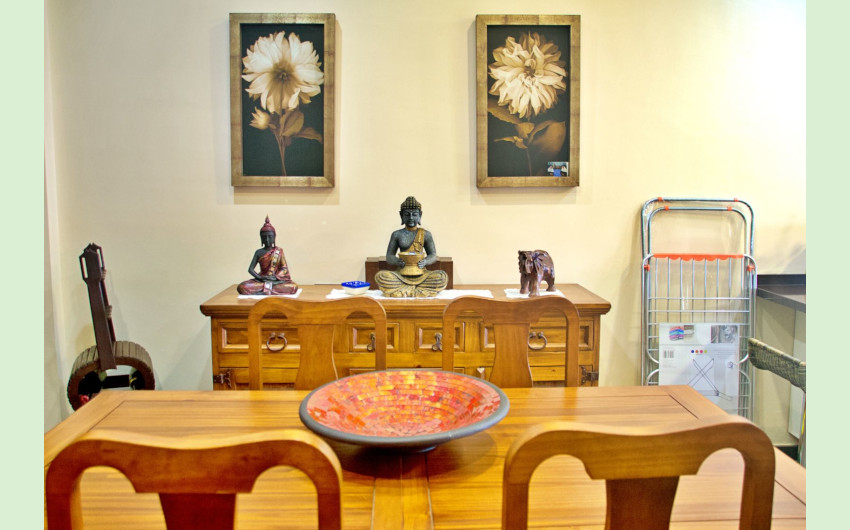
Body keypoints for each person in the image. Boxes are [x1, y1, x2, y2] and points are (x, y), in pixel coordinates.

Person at [374, 196, 448, 297]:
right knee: (381, 276)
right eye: (407, 214)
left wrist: (425, 261)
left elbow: (433, 255)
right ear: (401, 215)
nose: (411, 218)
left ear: (420, 215)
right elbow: (389, 256)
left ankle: (405, 291)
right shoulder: (397, 234)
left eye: (415, 214)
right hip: (401, 274)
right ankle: (418, 290)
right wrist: (397, 261)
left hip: (421, 273)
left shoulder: (426, 234)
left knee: (441, 277)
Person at [237, 216, 299, 295]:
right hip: (262, 280)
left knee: (293, 287)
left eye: (270, 237)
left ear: (274, 237)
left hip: (275, 280)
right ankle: (268, 290)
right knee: (242, 287)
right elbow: (251, 269)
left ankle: (263, 291)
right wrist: (260, 277)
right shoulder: (258, 252)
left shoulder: (279, 251)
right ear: (261, 238)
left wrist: (276, 277)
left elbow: (284, 268)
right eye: (264, 237)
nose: (267, 240)